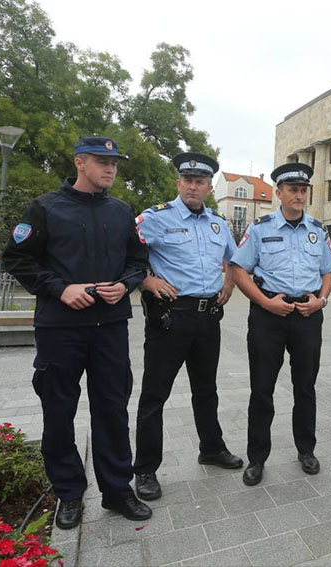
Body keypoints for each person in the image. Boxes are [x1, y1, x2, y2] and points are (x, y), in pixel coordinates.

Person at [2, 137, 151, 529]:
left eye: (114, 163)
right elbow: (16, 256)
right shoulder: (46, 207)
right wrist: (60, 288)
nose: (111, 169)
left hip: (110, 328)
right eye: (102, 161)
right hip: (60, 328)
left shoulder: (121, 211)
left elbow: (138, 262)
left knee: (112, 410)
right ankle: (68, 492)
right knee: (58, 411)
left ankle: (118, 491)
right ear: (79, 162)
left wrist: (126, 284)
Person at [132, 152, 242, 502]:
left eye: (200, 182)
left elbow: (234, 259)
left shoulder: (218, 224)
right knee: (155, 395)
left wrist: (229, 284)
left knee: (206, 390)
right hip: (171, 316)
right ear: (179, 184)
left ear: (209, 187)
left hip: (208, 317)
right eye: (187, 180)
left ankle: (211, 448)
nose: (193, 186)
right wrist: (147, 282)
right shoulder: (155, 218)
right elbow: (124, 252)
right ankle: (145, 469)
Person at [230, 163, 331, 486]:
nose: (299, 195)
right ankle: (257, 458)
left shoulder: (317, 230)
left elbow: (327, 271)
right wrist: (264, 302)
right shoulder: (260, 228)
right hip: (269, 314)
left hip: (307, 314)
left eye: (303, 190)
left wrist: (322, 300)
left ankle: (306, 450)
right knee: (262, 389)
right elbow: (239, 270)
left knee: (305, 387)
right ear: (278, 193)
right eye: (292, 189)